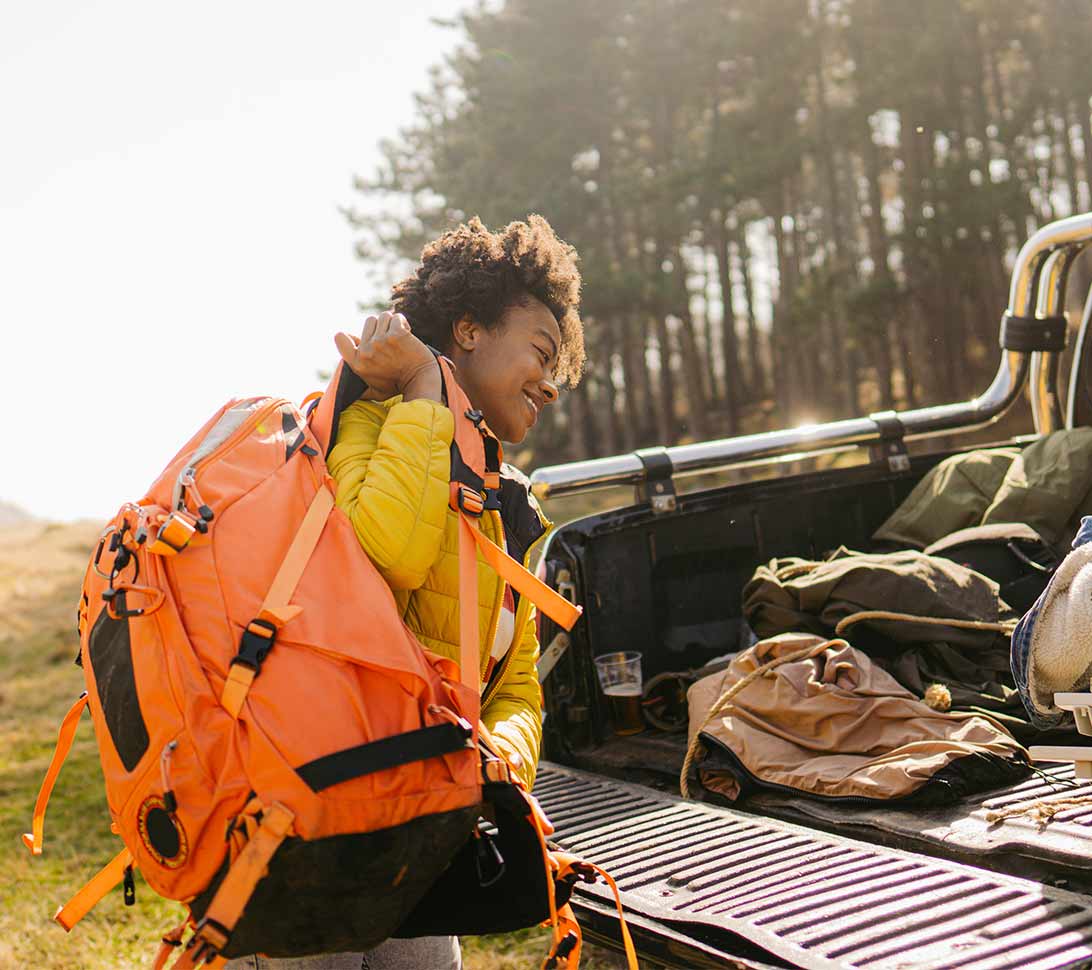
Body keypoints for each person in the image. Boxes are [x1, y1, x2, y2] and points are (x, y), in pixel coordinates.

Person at [224, 214, 585, 970]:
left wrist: (495, 769)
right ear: (468, 329)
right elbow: (384, 555)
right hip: (310, 819)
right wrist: (424, 388)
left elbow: (514, 686)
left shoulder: (509, 507)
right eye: (543, 352)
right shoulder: (362, 426)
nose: (552, 384)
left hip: (417, 825)